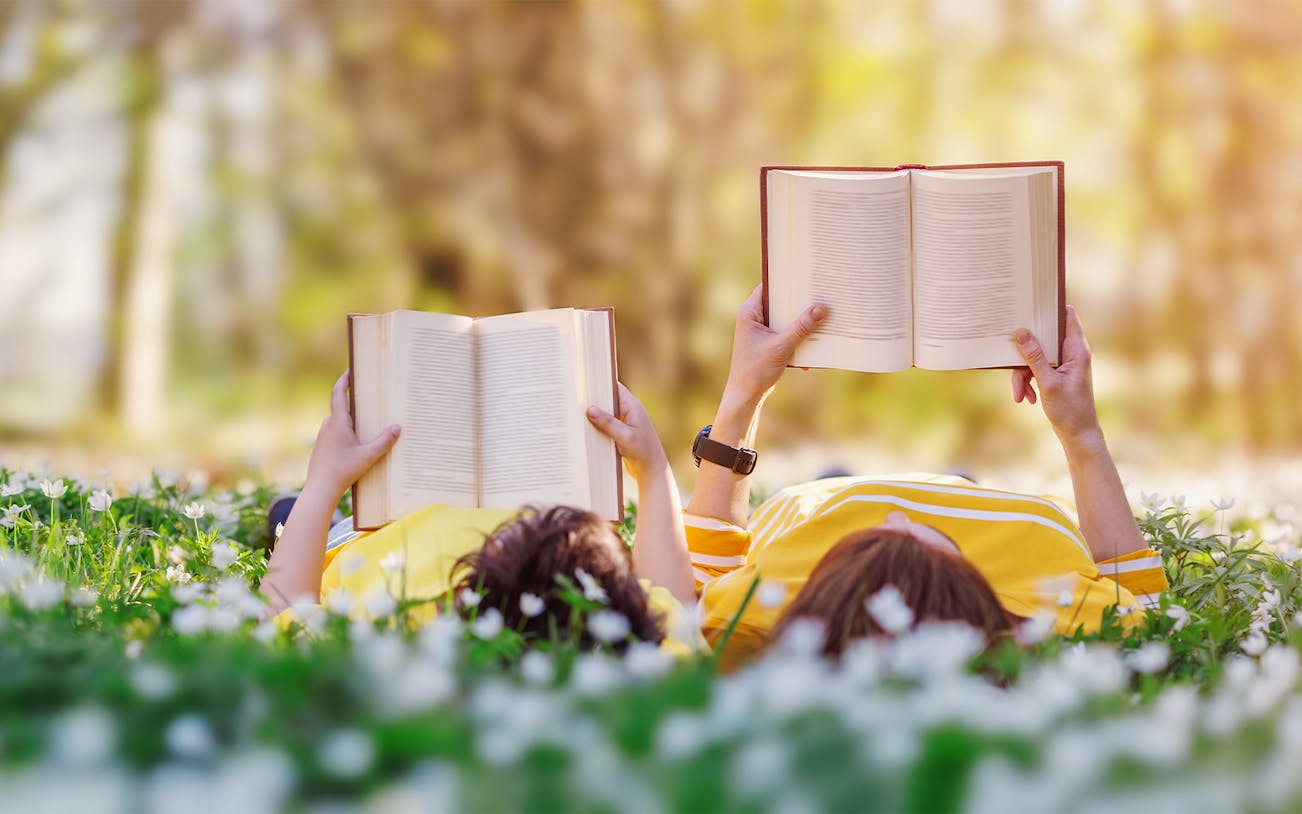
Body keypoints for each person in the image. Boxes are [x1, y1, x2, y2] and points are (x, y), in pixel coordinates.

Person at [684, 287, 1169, 661]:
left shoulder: (752, 623)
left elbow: (705, 563)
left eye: (868, 546)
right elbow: (1147, 610)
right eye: (921, 540)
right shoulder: (1069, 626)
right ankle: (961, 484)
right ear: (971, 600)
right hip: (1002, 513)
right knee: (963, 480)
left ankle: (836, 480)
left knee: (831, 479)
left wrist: (745, 391)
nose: (895, 517)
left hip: (819, 504)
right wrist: (1080, 430)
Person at [259, 373, 702, 654]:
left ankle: (294, 510)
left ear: (462, 600)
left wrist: (322, 482)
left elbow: (279, 607)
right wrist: (652, 468)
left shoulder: (391, 638)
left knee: (297, 516)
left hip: (377, 538)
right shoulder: (639, 641)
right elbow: (674, 605)